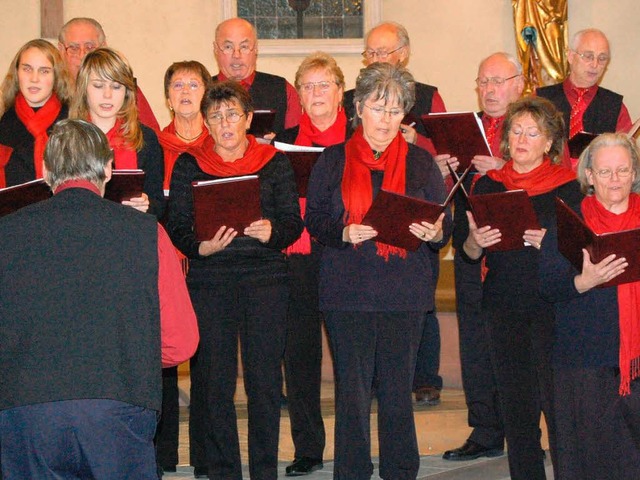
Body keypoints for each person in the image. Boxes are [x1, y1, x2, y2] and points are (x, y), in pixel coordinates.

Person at [0, 118, 199, 480]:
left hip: (25, 413)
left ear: (46, 170)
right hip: (117, 408)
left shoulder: (6, 232)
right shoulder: (145, 232)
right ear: (109, 168)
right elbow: (180, 343)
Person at [305, 62, 451, 480]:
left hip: (403, 292)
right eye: (378, 107)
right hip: (347, 291)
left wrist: (436, 229)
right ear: (358, 107)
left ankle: (400, 471)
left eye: (396, 110)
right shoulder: (332, 161)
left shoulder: (422, 164)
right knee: (351, 393)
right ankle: (352, 472)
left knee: (396, 394)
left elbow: (444, 227)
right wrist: (344, 230)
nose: (387, 120)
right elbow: (314, 219)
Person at [166, 80, 303, 479]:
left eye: (232, 115)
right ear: (206, 123)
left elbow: (292, 223)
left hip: (265, 281)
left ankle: (264, 471)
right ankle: (224, 471)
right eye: (216, 116)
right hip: (211, 281)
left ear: (247, 119)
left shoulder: (273, 161)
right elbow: (177, 224)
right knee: (215, 384)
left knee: (263, 384)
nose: (225, 123)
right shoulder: (190, 164)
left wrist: (273, 232)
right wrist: (200, 248)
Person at [461, 96, 580, 479]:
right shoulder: (486, 184)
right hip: (502, 305)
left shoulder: (570, 188)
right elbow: (467, 252)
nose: (523, 139)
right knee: (517, 408)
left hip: (553, 306)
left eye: (534, 132)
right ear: (507, 139)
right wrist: (476, 241)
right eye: (516, 131)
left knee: (558, 406)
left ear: (549, 142)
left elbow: (582, 252)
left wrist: (551, 241)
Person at [344, 20, 448, 407]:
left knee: (422, 302)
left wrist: (415, 141)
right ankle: (375, 379)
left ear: (403, 54)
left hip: (413, 209)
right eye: (369, 53)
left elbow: (445, 149)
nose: (374, 58)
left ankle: (424, 377)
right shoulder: (352, 97)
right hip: (366, 218)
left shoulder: (427, 96)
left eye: (381, 52)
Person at [539, 132, 640, 479]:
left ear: (634, 173)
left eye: (623, 170)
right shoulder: (569, 223)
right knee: (589, 460)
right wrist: (585, 281)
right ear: (590, 177)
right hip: (584, 363)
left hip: (637, 360)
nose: (615, 180)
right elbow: (547, 286)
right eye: (606, 171)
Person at [440, 52, 526, 461]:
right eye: (483, 82)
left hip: (516, 248)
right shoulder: (463, 127)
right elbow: (444, 192)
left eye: (498, 81)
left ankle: (525, 429)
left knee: (517, 340)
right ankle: (486, 430)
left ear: (519, 83)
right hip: (470, 242)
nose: (489, 90)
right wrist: (441, 168)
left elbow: (557, 174)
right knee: (474, 337)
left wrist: (506, 166)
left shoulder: (533, 124)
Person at [273, 51, 347, 477]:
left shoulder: (358, 136)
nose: (316, 93)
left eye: (324, 85)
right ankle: (309, 448)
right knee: (299, 358)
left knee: (349, 359)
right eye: (308, 86)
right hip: (296, 254)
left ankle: (350, 445)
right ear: (298, 94)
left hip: (343, 254)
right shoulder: (282, 140)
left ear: (340, 92)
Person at [155, 60, 210, 475]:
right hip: (165, 261)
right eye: (178, 85)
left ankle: (207, 457)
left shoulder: (221, 143)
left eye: (194, 84)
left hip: (209, 262)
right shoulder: (154, 146)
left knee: (209, 360)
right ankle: (165, 455)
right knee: (166, 359)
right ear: (167, 97)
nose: (186, 91)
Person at [69, 47, 165, 218]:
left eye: (116, 87)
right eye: (98, 86)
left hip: (130, 232)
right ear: (84, 89)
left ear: (127, 93)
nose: (107, 95)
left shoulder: (146, 138)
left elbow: (158, 204)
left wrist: (146, 205)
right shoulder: (67, 138)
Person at [537, 28, 633, 169]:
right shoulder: (541, 100)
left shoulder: (614, 105)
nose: (595, 65)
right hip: (550, 184)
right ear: (570, 56)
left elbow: (627, 156)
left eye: (602, 58)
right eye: (588, 56)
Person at [57, 17, 160, 131]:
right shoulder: (53, 95)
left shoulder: (126, 91)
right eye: (74, 48)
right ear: (61, 50)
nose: (82, 55)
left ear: (103, 47)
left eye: (89, 47)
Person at [212, 17, 302, 136]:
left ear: (255, 49)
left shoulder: (283, 90)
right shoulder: (201, 91)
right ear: (215, 49)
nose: (236, 55)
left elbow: (294, 143)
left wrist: (276, 144)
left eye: (244, 47)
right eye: (228, 47)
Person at [0, 39, 71, 187]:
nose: (34, 78)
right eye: (27, 69)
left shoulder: (73, 121)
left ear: (56, 76)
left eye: (44, 71)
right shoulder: (4, 121)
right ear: (16, 73)